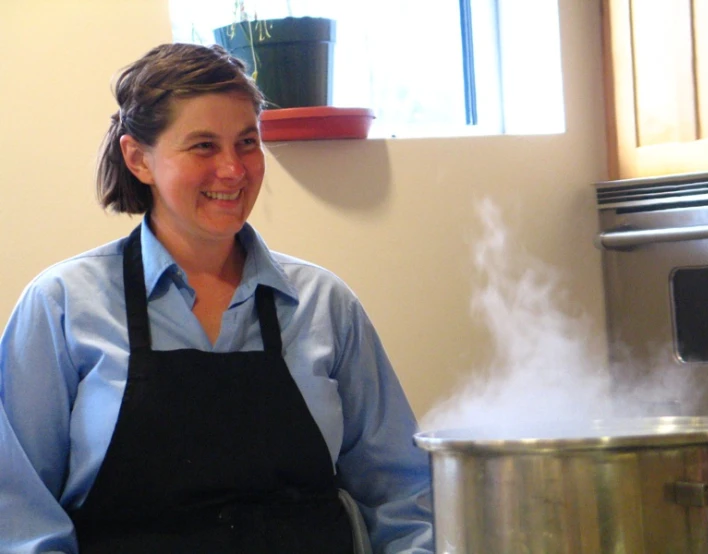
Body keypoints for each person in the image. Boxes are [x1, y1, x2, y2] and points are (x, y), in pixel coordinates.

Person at [0, 43, 433, 553]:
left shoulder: (323, 303)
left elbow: (405, 498)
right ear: (138, 158)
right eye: (203, 146)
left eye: (247, 142)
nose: (233, 169)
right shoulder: (62, 305)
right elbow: (19, 517)